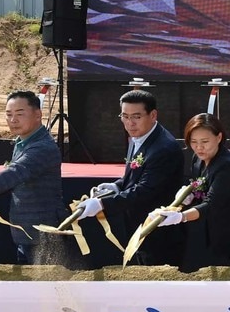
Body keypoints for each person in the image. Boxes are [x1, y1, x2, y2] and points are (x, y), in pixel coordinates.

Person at [76, 88, 182, 265]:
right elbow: (138, 176)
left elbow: (146, 190)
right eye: (125, 116)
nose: (130, 123)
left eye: (136, 117)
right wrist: (118, 185)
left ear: (153, 115)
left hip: (158, 232)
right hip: (137, 228)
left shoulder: (164, 148)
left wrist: (101, 203)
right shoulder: (139, 137)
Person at [154, 113, 230, 270]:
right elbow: (201, 188)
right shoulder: (198, 159)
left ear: (219, 138)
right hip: (218, 234)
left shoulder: (227, 165)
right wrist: (189, 196)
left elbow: (212, 203)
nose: (199, 147)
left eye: (205, 142)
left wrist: (181, 216)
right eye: (193, 142)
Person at [0, 91, 64, 264]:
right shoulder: (23, 141)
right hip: (25, 232)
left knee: (45, 287)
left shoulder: (42, 147)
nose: (13, 120)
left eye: (20, 114)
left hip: (42, 234)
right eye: (9, 115)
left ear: (38, 115)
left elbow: (16, 172)